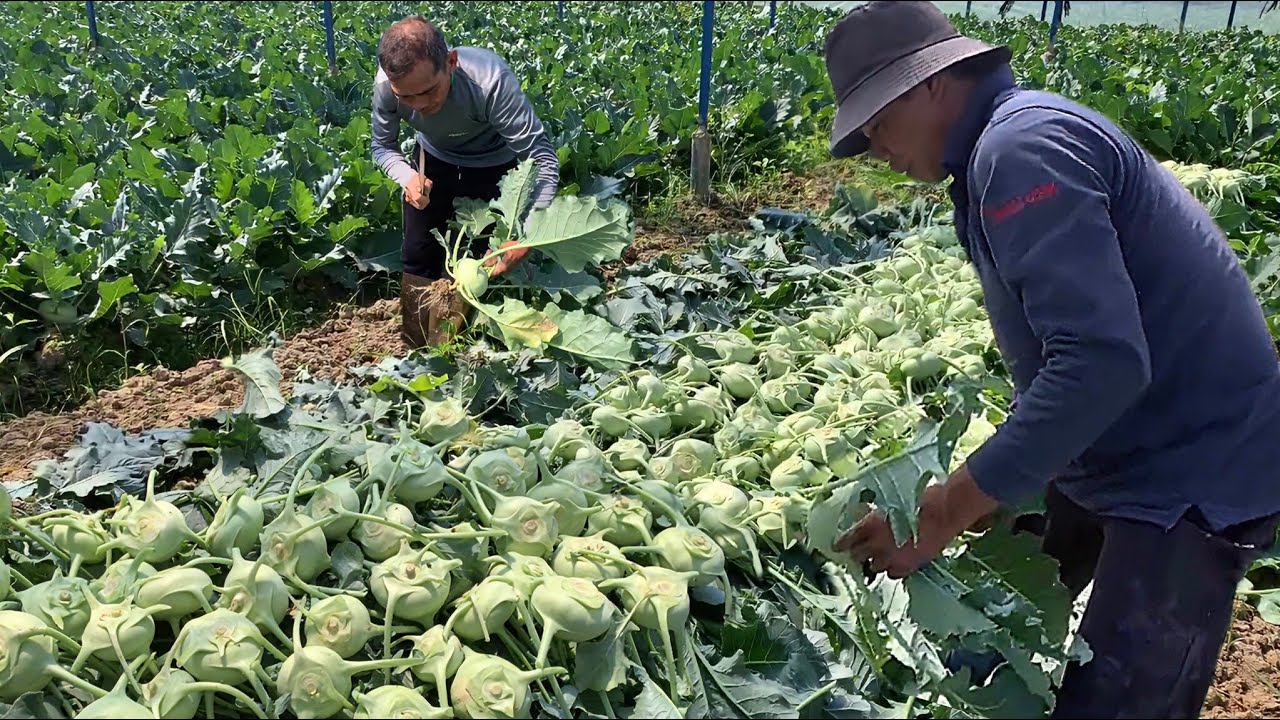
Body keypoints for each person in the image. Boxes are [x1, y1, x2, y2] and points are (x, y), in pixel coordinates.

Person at [822, 2, 1280, 717]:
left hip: (1190, 467)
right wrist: (964, 501)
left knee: (1118, 700)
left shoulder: (1022, 149)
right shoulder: (1000, 148)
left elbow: (1100, 363)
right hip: (1117, 440)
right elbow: (1066, 360)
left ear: (932, 83)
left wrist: (943, 512)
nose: (874, 148)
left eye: (877, 122)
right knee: (999, 625)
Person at [371, 15, 560, 345]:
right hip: (432, 160)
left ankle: (457, 348)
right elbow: (382, 146)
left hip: (493, 166)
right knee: (417, 254)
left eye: (429, 91)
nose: (420, 106)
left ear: (451, 63)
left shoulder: (490, 83)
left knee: (479, 264)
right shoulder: (388, 86)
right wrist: (408, 177)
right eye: (407, 98)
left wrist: (526, 233)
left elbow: (542, 160)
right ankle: (418, 347)